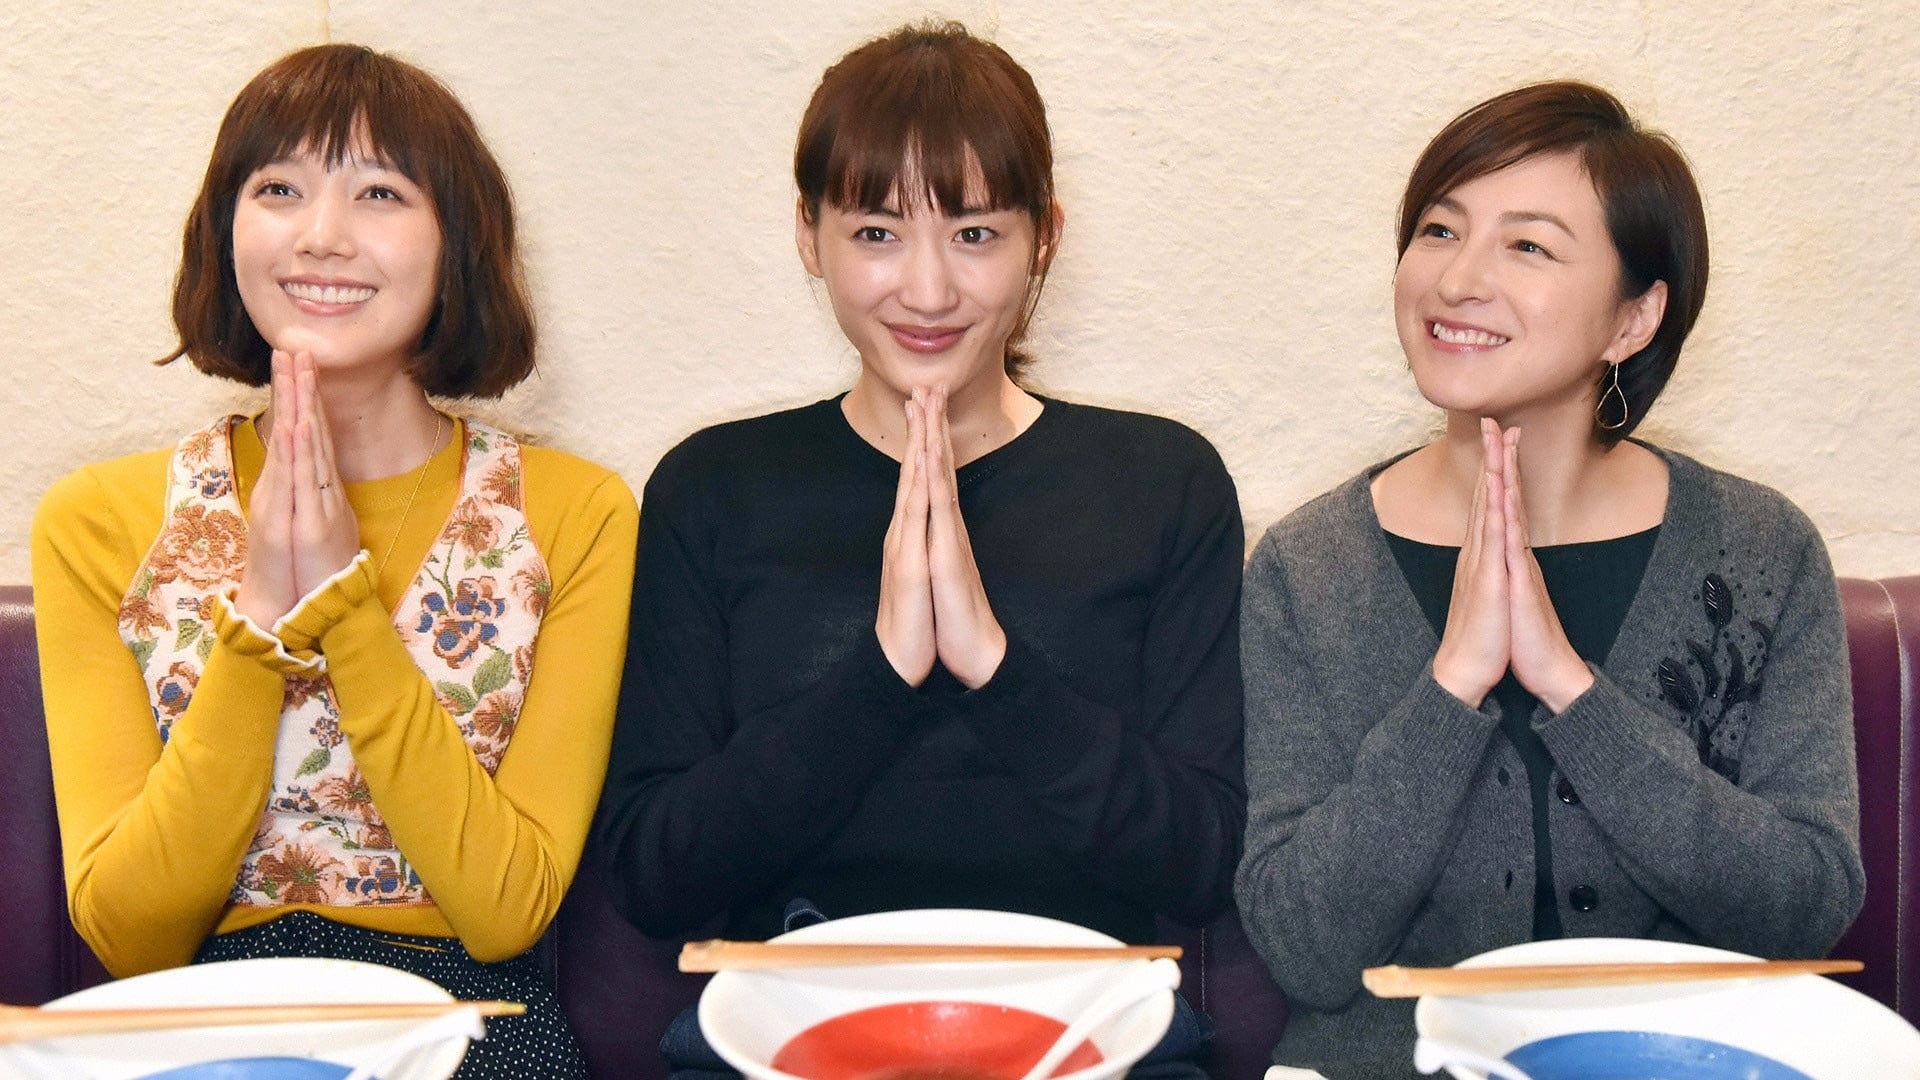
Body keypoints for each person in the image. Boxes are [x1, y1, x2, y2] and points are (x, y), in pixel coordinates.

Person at [591, 20, 1244, 1078]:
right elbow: (654, 878)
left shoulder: (1163, 483)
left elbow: (1203, 865)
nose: (929, 291)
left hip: (1093, 1030)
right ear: (809, 235)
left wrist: (994, 666)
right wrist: (881, 677)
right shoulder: (714, 488)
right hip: (783, 1030)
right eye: (877, 232)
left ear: (1045, 236)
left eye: (976, 233)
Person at [1233, 80, 1865, 1079]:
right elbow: (1304, 947)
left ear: (1633, 318)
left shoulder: (1758, 551)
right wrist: (1452, 685)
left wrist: (1570, 687)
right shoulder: (1308, 569)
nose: (1457, 279)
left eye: (1527, 246)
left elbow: (1804, 907)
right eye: (1439, 231)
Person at [30, 44, 637, 1079]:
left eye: (380, 193)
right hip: (196, 1021)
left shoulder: (573, 513)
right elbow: (130, 937)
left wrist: (345, 610)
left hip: (469, 1017)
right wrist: (258, 629)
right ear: (226, 231)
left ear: (457, 244)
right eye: (278, 189)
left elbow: (507, 911)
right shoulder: (98, 520)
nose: (321, 234)